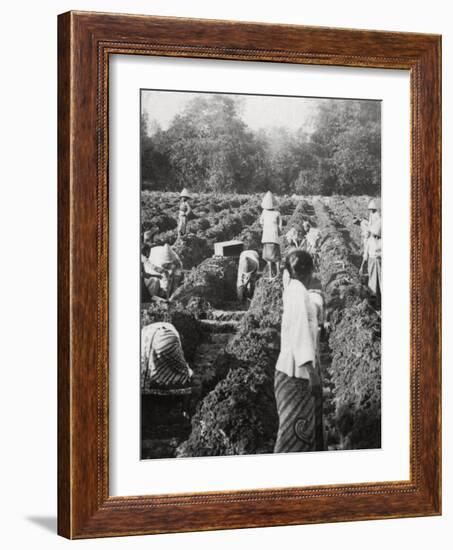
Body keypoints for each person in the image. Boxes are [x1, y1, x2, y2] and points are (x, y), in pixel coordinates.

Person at [274, 249, 324, 453]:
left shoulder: (294, 289)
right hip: (296, 374)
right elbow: (301, 332)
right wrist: (312, 374)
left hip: (294, 370)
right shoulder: (298, 293)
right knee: (293, 435)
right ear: (308, 272)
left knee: (296, 432)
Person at [141, 322, 193, 405]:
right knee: (184, 373)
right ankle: (185, 409)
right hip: (166, 339)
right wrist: (189, 372)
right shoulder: (172, 332)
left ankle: (146, 391)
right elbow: (180, 362)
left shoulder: (151, 327)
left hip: (145, 338)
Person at [259, 191, 283, 280]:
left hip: (266, 237)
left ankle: (270, 275)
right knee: (276, 257)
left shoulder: (264, 212)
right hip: (274, 237)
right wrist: (279, 232)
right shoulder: (277, 213)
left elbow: (261, 222)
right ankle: (278, 273)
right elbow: (280, 227)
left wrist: (265, 228)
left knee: (268, 257)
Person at [359, 210, 382, 301]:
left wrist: (362, 265)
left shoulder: (370, 241)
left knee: (373, 279)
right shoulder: (380, 241)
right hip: (377, 261)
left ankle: (375, 296)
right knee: (378, 278)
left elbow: (365, 255)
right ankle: (376, 297)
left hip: (373, 261)